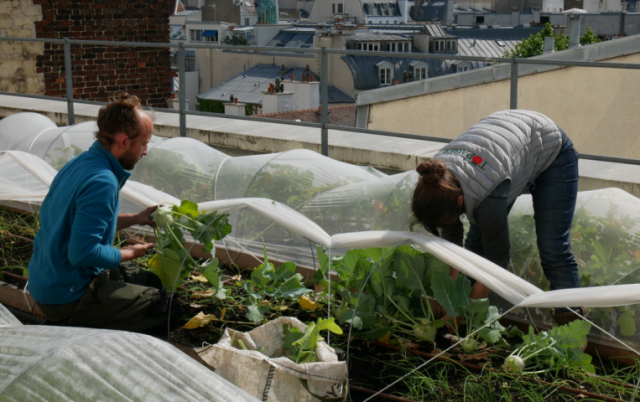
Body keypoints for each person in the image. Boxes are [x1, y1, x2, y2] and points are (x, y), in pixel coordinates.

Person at [411, 110, 584, 325]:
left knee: (553, 249)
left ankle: (572, 327)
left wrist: (461, 313)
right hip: (502, 154)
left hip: (548, 148)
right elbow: (453, 249)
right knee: (476, 245)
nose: (448, 224)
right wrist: (450, 299)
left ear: (458, 202)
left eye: (449, 220)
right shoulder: (435, 183)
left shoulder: (486, 199)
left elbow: (497, 262)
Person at [28, 93, 172, 333]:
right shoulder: (102, 181)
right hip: (66, 295)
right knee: (166, 309)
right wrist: (128, 252)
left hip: (49, 278)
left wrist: (137, 218)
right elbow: (83, 253)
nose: (145, 151)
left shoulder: (82, 162)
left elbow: (83, 226)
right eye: (143, 144)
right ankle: (84, 331)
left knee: (151, 282)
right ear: (124, 142)